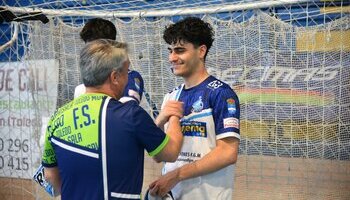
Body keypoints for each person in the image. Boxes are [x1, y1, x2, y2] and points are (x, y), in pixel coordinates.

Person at [42, 39, 184, 199]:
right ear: (115, 77)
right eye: (126, 72)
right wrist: (174, 116)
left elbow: (50, 175)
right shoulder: (130, 114)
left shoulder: (57, 117)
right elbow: (170, 153)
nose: (127, 78)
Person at [149, 17, 240, 199]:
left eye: (180, 50)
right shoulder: (170, 97)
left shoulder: (221, 94)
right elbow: (159, 156)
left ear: (201, 51)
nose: (172, 57)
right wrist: (159, 121)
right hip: (173, 194)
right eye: (171, 51)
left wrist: (177, 175)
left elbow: (228, 153)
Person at [75, 18, 144, 104]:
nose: (89, 54)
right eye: (87, 49)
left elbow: (127, 112)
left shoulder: (131, 78)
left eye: (94, 50)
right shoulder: (82, 88)